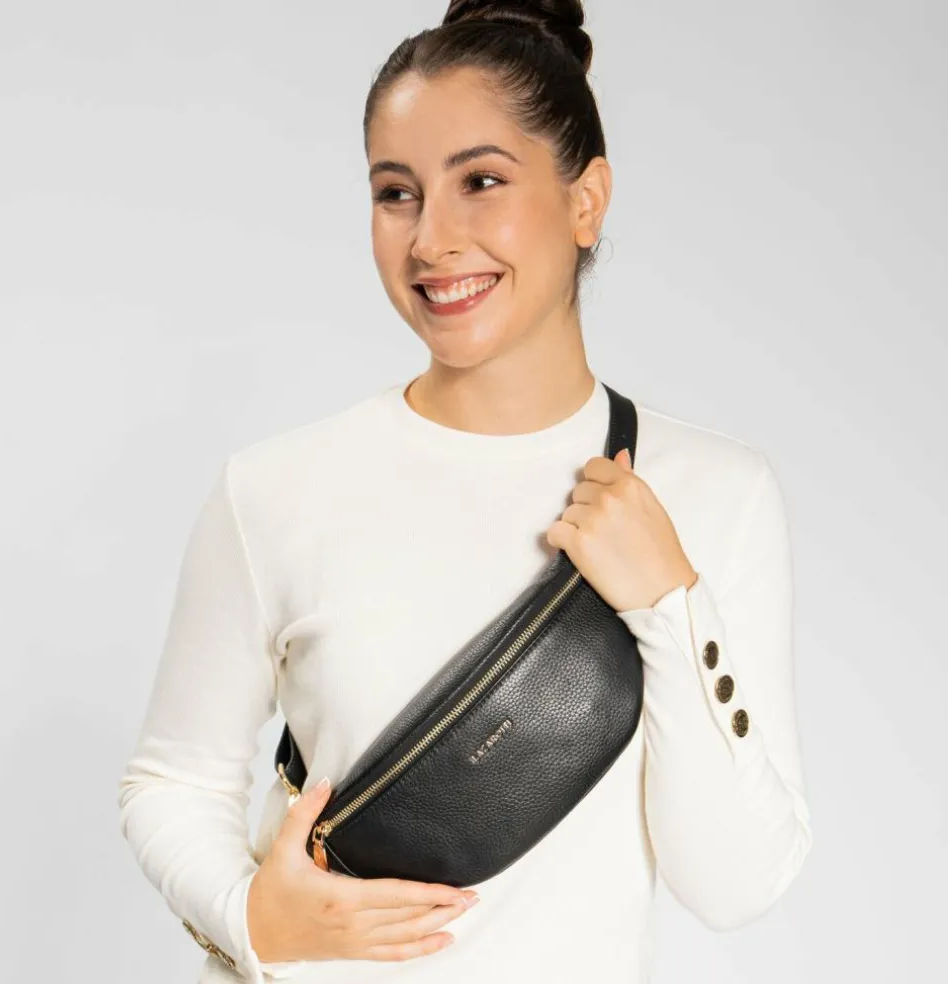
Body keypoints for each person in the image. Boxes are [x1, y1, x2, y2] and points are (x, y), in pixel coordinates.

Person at [117, 1, 813, 981]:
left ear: (586, 200)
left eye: (480, 181)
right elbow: (171, 781)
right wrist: (250, 921)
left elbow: (734, 884)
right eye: (395, 193)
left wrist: (669, 601)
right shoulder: (274, 489)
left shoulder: (713, 494)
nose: (431, 239)